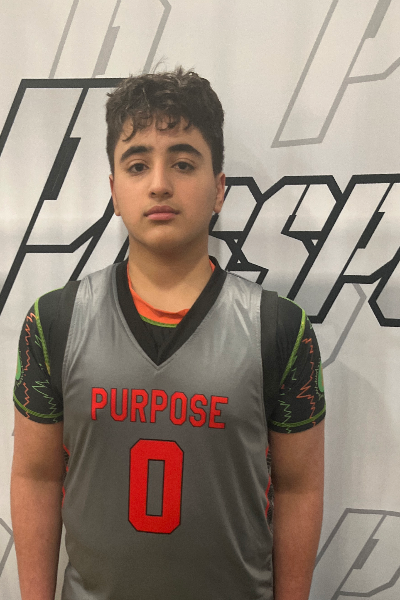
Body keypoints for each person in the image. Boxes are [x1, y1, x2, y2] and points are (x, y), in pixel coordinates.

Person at [11, 67, 325, 600]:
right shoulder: (54, 322)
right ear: (114, 190)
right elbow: (36, 477)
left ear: (219, 188)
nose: (159, 183)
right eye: (138, 165)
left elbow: (299, 488)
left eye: (183, 163)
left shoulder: (279, 330)